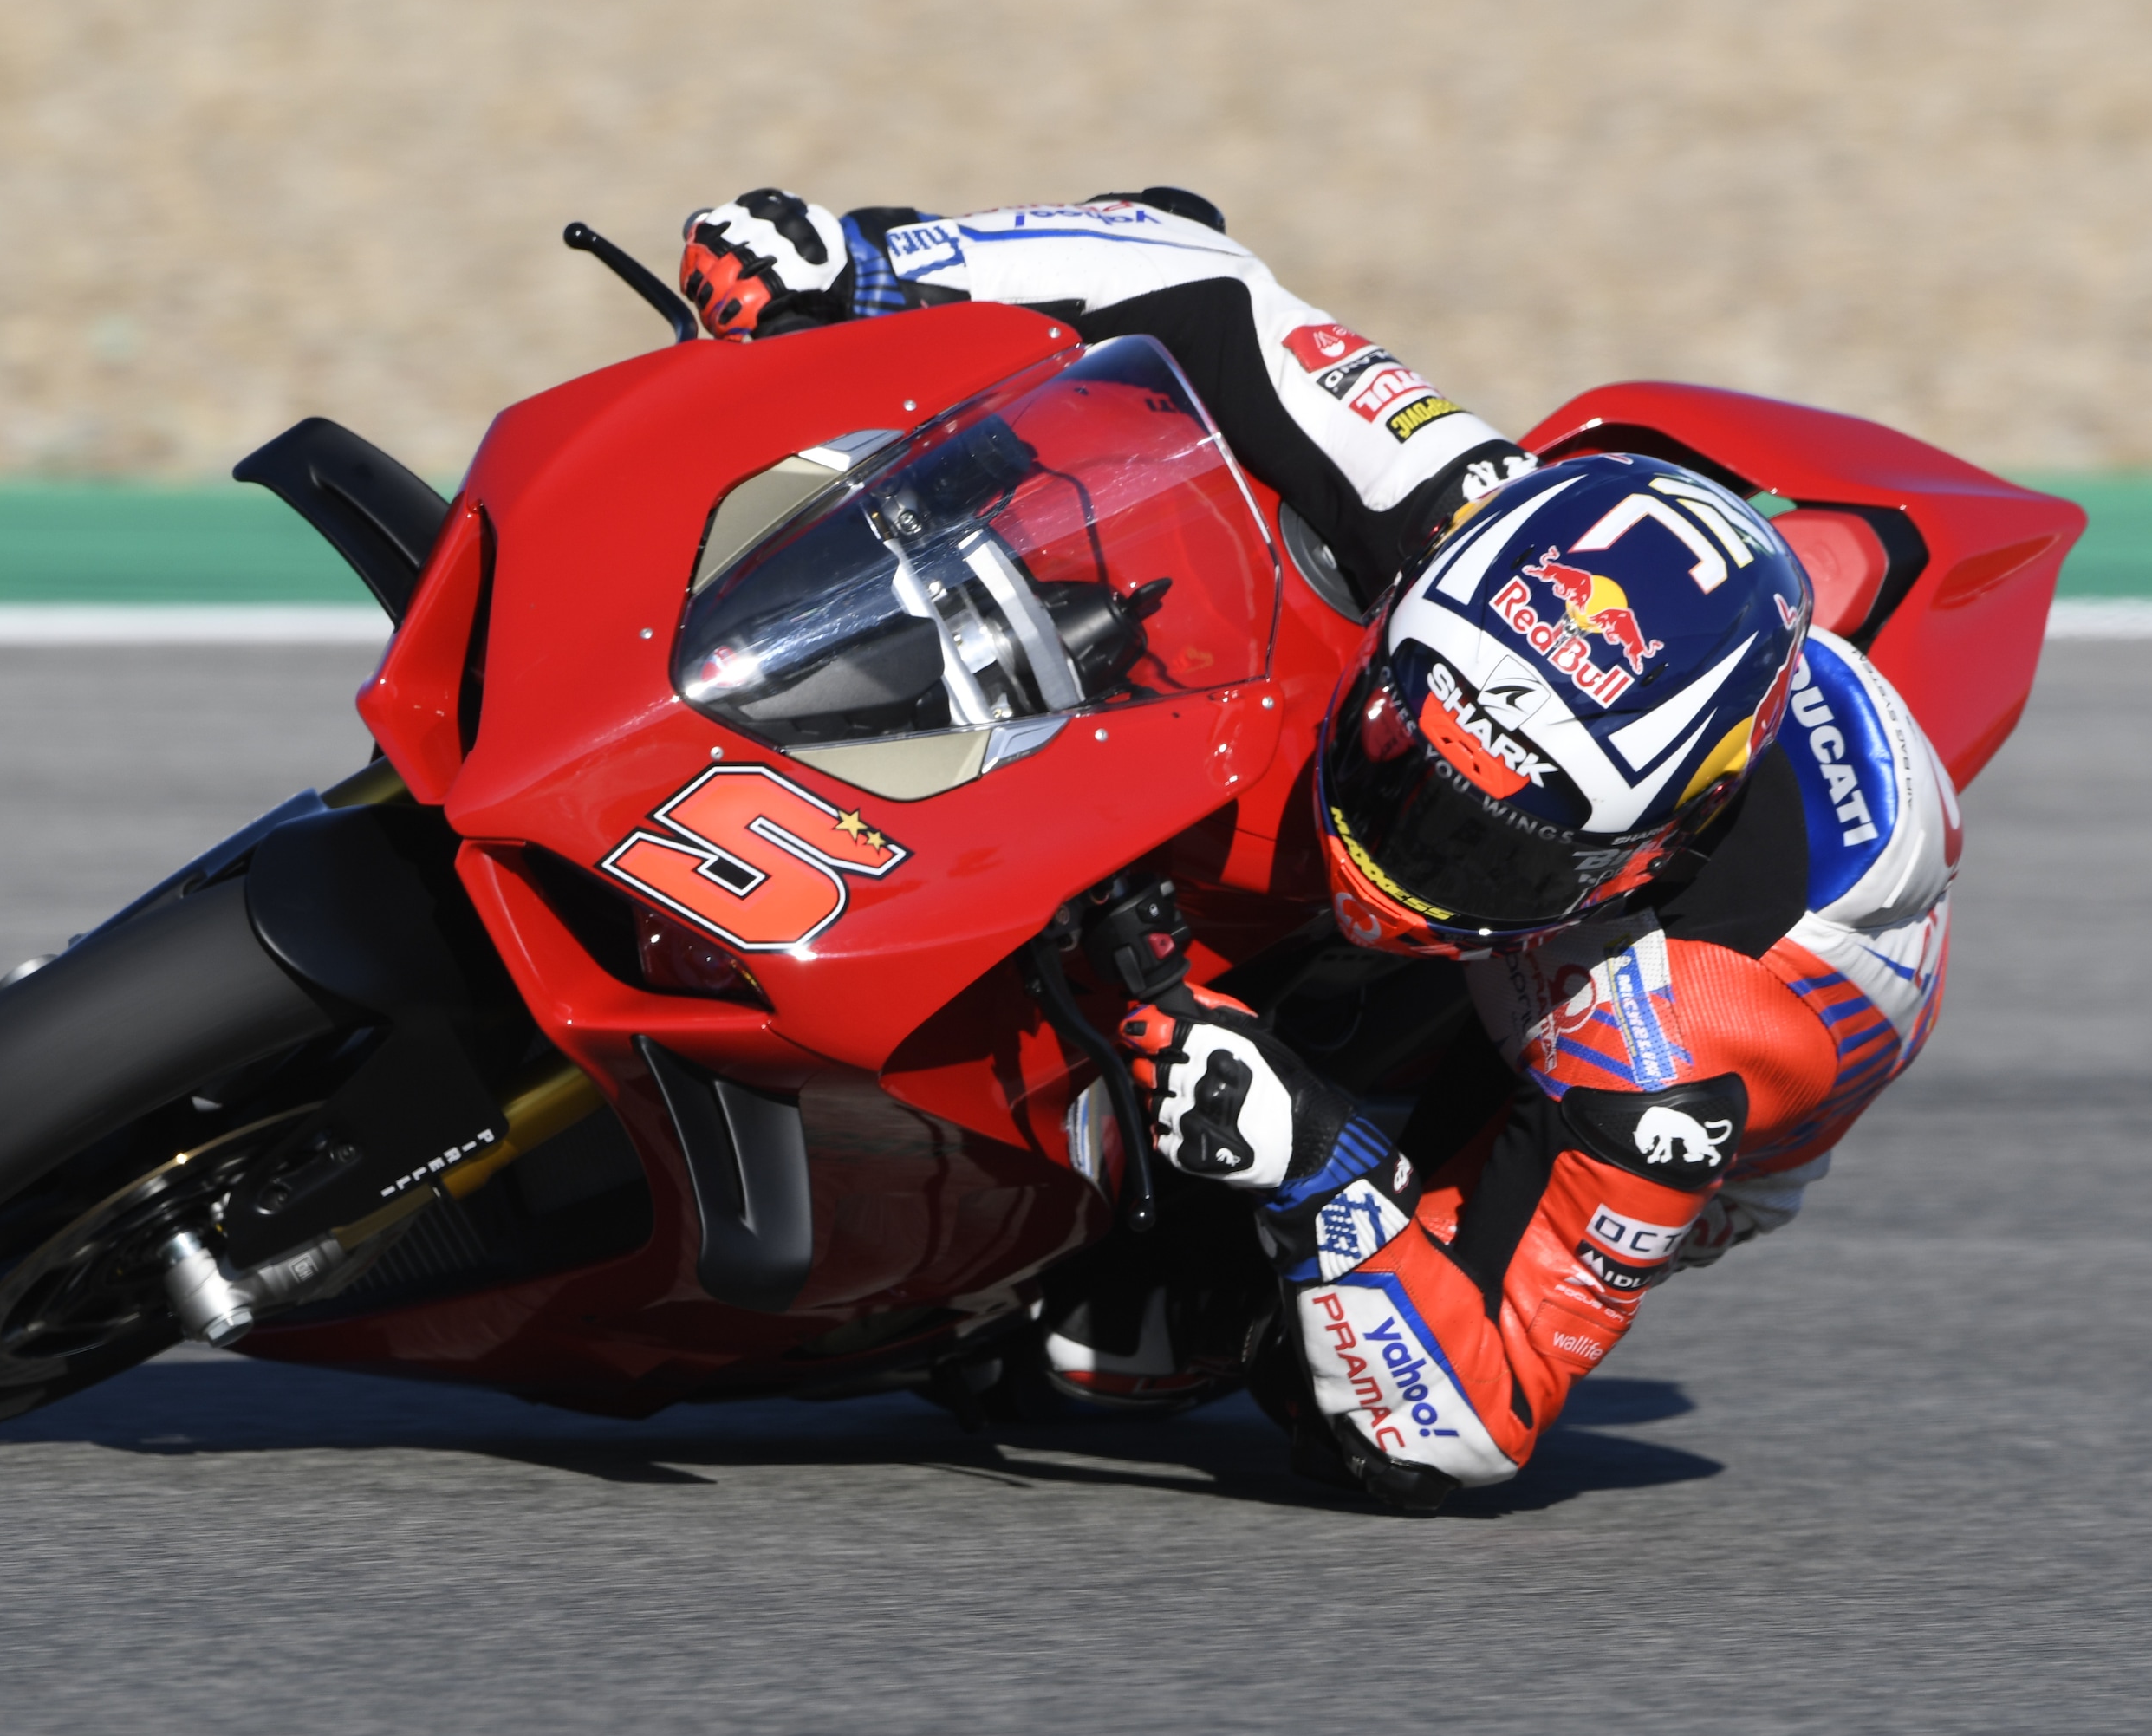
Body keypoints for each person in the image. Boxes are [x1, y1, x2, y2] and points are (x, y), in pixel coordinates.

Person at [675, 189, 1955, 1513]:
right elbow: (1205, 284)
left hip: (1597, 1028)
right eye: (1412, 770)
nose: (1404, 866)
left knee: (1140, 1346)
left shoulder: (1682, 1056)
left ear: (1640, 853)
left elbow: (1471, 1425)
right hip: (1561, 797)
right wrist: (873, 264)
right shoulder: (1466, 509)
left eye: (1490, 852)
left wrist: (1317, 1164)